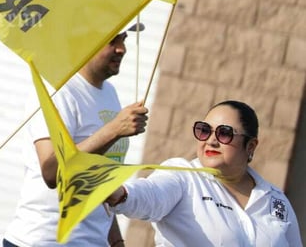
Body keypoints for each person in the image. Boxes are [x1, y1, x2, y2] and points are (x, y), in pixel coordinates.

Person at [3, 26, 149, 247]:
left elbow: (99, 179)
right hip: (43, 241)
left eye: (124, 39)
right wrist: (114, 129)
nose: (122, 49)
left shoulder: (109, 93)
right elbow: (52, 172)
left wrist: (116, 241)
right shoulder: (58, 90)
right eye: (113, 40)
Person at [105, 100, 302, 246]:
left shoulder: (276, 200)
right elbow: (149, 194)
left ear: (250, 146)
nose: (211, 140)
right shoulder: (183, 176)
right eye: (204, 130)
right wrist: (118, 194)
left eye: (224, 133)